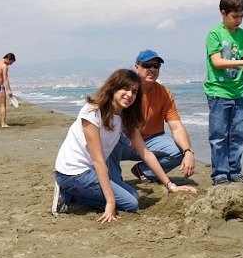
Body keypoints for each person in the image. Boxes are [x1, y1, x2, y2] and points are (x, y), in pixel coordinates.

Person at [52, 69, 196, 223]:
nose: (129, 95)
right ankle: (68, 194)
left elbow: (145, 152)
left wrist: (170, 185)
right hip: (73, 172)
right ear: (113, 88)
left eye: (134, 92)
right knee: (130, 204)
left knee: (133, 196)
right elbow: (98, 160)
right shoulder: (92, 112)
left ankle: (75, 193)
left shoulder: (125, 117)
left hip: (91, 170)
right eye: (125, 89)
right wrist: (110, 202)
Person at [204, 0, 243, 186]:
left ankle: (235, 172)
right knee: (219, 135)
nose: (238, 20)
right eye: (234, 16)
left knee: (239, 134)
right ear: (223, 13)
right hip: (218, 92)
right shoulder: (215, 34)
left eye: (241, 16)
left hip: (238, 92)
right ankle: (220, 174)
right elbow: (217, 62)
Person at [107, 50, 195, 183]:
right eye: (147, 65)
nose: (152, 69)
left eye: (156, 66)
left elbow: (176, 126)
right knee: (110, 139)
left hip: (152, 142)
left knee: (179, 150)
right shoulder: (126, 92)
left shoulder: (164, 93)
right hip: (125, 142)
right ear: (137, 67)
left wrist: (188, 151)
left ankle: (144, 171)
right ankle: (114, 178)